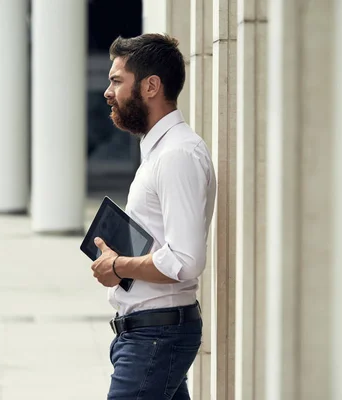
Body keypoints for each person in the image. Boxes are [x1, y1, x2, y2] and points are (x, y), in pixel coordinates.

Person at [91, 34, 217, 399]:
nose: (107, 91)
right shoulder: (161, 151)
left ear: (150, 86)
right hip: (150, 332)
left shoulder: (177, 155)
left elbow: (185, 260)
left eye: (117, 81)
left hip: (156, 335)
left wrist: (119, 266)